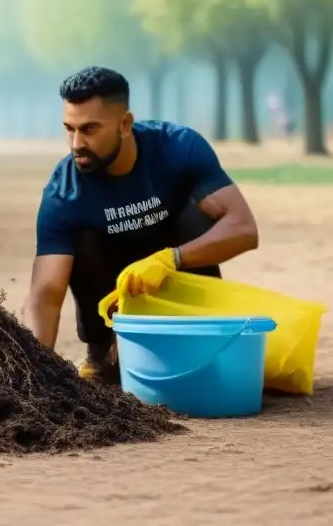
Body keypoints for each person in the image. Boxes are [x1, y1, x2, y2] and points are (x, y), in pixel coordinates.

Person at [23, 66, 259, 383]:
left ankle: (199, 335)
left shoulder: (179, 148)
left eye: (89, 129)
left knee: (200, 212)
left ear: (124, 124)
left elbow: (244, 228)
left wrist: (170, 259)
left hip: (176, 281)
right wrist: (35, 380)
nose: (76, 143)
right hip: (112, 301)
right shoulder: (63, 192)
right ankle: (103, 350)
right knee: (78, 238)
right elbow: (45, 294)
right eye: (69, 128)